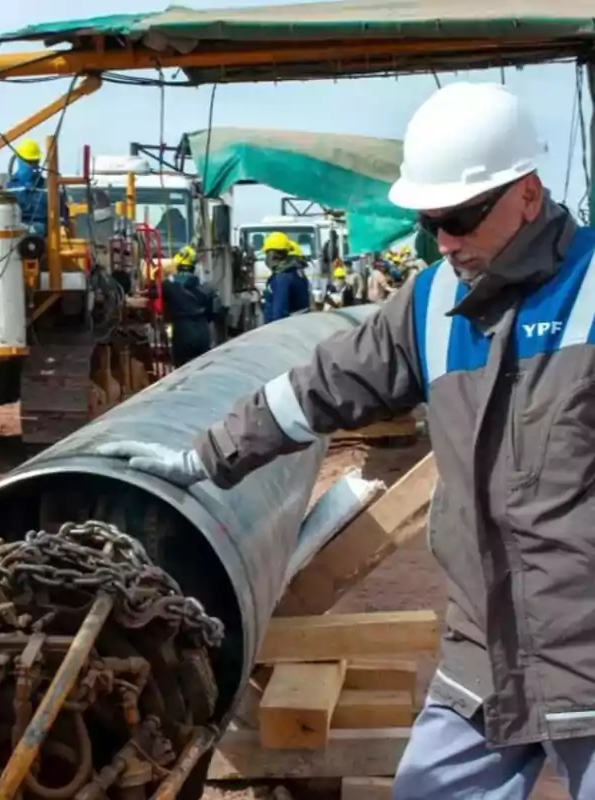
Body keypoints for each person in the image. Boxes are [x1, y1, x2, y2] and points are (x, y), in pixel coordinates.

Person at [95, 81, 595, 799]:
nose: (445, 241)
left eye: (460, 216)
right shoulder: (432, 305)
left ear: (527, 191)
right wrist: (203, 457)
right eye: (430, 222)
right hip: (486, 654)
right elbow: (317, 387)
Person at [6, 137, 70, 237]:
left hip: (44, 243)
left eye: (36, 161)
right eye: (29, 161)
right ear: (18, 159)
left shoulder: (48, 187)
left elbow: (62, 215)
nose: (33, 165)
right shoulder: (8, 188)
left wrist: (62, 225)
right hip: (15, 240)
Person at [161, 255, 215, 366]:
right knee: (202, 367)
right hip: (202, 330)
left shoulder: (169, 286)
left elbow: (156, 295)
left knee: (181, 368)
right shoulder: (206, 288)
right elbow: (212, 314)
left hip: (182, 330)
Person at [259, 231, 311, 322]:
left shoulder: (282, 278)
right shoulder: (295, 273)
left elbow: (279, 314)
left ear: (273, 255)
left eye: (267, 254)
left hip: (283, 330)